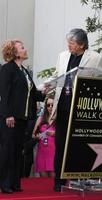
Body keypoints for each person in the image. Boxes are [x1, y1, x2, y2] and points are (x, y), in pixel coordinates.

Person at [50, 28, 102, 192]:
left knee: (78, 145)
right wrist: (48, 85)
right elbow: (56, 75)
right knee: (60, 146)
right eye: (68, 43)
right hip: (63, 108)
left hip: (81, 110)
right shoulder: (63, 56)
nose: (69, 46)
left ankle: (76, 178)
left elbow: (101, 82)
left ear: (82, 45)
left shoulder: (96, 58)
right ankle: (59, 181)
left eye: (72, 43)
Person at [0, 39, 49, 194]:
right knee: (8, 151)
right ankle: (4, 183)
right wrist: (8, 115)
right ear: (15, 53)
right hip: (11, 118)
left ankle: (14, 183)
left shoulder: (24, 71)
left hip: (23, 118)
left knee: (17, 151)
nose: (25, 49)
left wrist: (44, 93)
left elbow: (32, 94)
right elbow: (4, 94)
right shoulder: (8, 69)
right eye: (22, 48)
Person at [33, 94, 55, 178]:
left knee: (53, 181)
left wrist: (55, 134)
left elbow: (66, 134)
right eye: (48, 105)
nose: (50, 107)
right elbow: (33, 135)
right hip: (42, 152)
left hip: (54, 153)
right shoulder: (41, 118)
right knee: (44, 182)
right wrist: (38, 136)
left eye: (52, 105)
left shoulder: (59, 119)